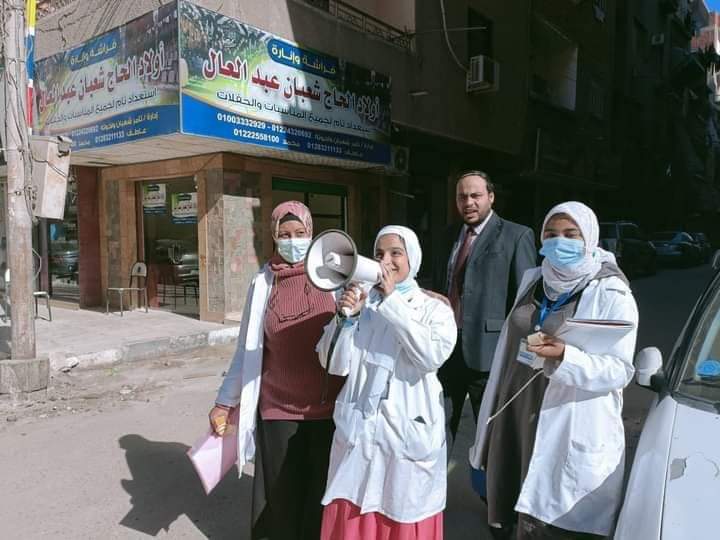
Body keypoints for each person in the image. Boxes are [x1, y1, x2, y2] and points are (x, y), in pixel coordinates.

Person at [468, 201, 639, 539]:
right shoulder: (535, 278)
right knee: (514, 500)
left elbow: (620, 370)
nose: (559, 241)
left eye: (571, 234)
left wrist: (565, 357)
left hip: (565, 416)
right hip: (517, 408)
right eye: (551, 233)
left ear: (589, 238)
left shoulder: (612, 291)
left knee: (551, 520)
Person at [208, 201, 345, 540]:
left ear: (312, 233)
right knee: (282, 496)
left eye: (299, 232)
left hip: (330, 410)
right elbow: (246, 350)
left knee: (321, 496)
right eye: (284, 234)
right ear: (273, 236)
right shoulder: (263, 282)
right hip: (278, 409)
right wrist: (224, 401)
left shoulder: (336, 276)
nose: (293, 240)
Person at [317, 226, 457, 540]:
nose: (386, 261)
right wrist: (346, 319)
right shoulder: (362, 303)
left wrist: (392, 300)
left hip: (407, 435)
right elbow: (333, 364)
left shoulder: (435, 308)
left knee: (400, 509)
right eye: (379, 254)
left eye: (396, 253)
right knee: (353, 506)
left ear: (413, 258)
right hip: (359, 434)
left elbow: (429, 356)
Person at [434, 170, 536, 442]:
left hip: (489, 352)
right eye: (462, 197)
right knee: (437, 427)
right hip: (446, 348)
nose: (468, 202)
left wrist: (524, 358)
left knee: (493, 435)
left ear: (491, 197)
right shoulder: (447, 236)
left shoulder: (516, 236)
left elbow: (525, 303)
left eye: (475, 195)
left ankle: (490, 472)